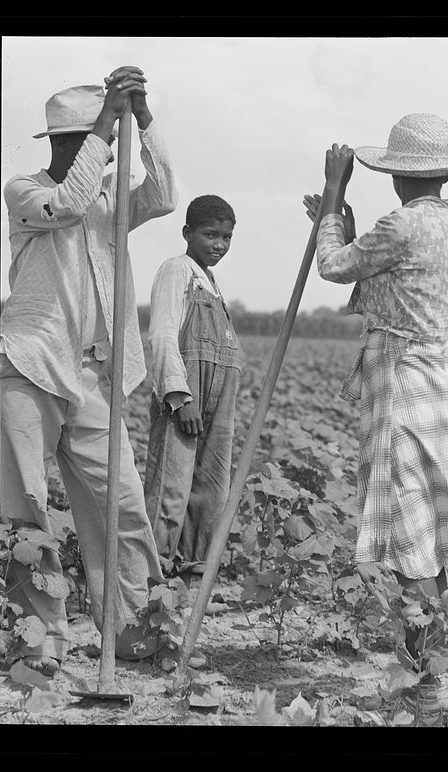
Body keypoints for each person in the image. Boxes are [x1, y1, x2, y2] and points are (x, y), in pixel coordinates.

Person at [0, 67, 177, 676]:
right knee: (25, 508)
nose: (104, 157)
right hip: (29, 365)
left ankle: (135, 628)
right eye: (95, 142)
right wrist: (108, 120)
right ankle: (36, 644)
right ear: (65, 142)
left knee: (121, 504)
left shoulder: (111, 200)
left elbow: (166, 194)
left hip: (93, 376)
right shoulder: (25, 191)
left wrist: (143, 119)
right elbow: (69, 203)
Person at [302, 114, 448, 666]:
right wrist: (344, 219)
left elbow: (335, 266)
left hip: (405, 385)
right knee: (427, 517)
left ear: (395, 174)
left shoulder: (402, 225)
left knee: (410, 520)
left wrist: (335, 194)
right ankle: (431, 652)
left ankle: (424, 661)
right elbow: (387, 282)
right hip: (440, 382)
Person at [144, 195, 245, 577]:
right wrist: (178, 395)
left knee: (210, 491)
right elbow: (164, 334)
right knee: (170, 489)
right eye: (209, 234)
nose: (218, 244)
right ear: (187, 233)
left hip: (219, 399)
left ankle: (189, 578)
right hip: (186, 394)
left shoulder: (213, 285)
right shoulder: (177, 269)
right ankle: (152, 578)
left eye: (226, 237)